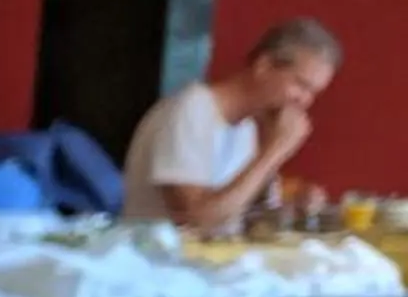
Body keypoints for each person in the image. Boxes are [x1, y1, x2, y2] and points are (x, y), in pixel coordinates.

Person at [120, 19, 342, 231]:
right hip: (158, 263)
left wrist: (294, 208)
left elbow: (239, 214)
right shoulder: (191, 109)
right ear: (263, 66)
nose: (305, 101)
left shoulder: (247, 126)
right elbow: (197, 219)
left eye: (313, 92)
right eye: (301, 85)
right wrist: (274, 151)